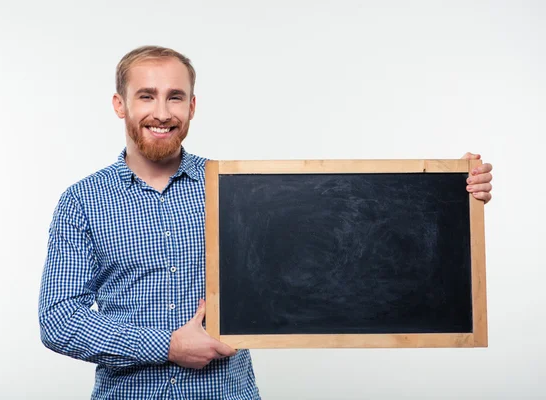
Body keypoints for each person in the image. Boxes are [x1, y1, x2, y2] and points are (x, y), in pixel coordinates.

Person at [38, 45, 494, 399]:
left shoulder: (239, 192)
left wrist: (453, 194)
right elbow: (58, 320)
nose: (162, 111)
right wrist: (168, 346)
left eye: (175, 97)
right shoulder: (82, 202)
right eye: (146, 96)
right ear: (120, 105)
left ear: (192, 107)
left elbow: (355, 226)